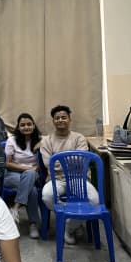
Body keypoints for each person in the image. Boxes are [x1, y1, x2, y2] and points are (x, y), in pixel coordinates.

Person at [40, 105, 95, 245]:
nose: (60, 120)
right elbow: (49, 164)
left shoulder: (79, 138)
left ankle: (69, 227)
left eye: (63, 117)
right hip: (56, 179)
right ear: (53, 121)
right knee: (47, 196)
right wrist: (70, 162)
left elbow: (81, 162)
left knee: (94, 201)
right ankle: (75, 221)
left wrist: (59, 161)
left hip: (79, 179)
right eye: (57, 118)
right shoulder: (46, 140)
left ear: (70, 119)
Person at [3, 113, 42, 239]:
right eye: (23, 125)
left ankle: (15, 207)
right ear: (18, 127)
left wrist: (44, 144)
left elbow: (44, 162)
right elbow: (8, 164)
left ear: (34, 125)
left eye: (29, 124)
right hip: (13, 175)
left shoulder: (41, 140)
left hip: (34, 174)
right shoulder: (12, 140)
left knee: (30, 176)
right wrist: (27, 168)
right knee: (33, 191)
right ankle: (33, 224)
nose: (26, 127)